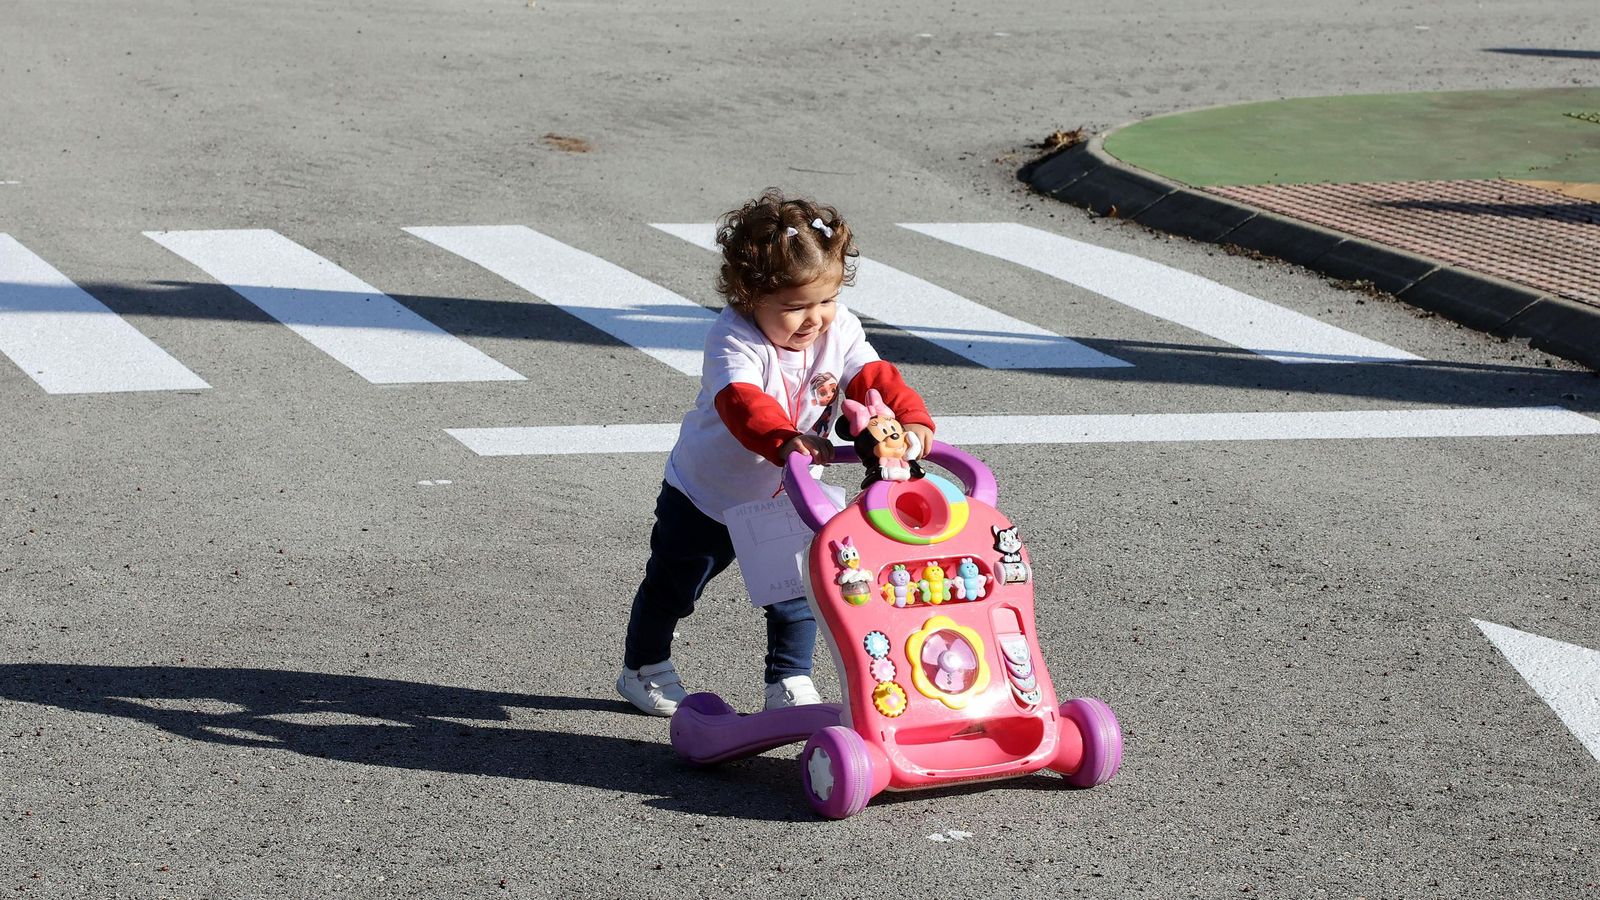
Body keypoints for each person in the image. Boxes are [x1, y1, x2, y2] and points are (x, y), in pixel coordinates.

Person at [616, 189, 935, 716]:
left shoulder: (840, 328)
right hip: (710, 494)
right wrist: (786, 439)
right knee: (675, 586)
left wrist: (909, 418)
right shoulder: (734, 339)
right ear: (749, 297)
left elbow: (871, 376)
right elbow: (743, 402)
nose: (814, 319)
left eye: (826, 301)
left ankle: (788, 680)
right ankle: (643, 667)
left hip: (791, 494)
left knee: (798, 591)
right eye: (794, 308)